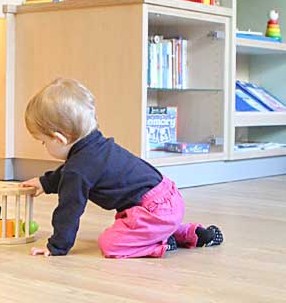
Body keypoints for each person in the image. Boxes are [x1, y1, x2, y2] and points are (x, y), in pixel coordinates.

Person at [21, 78, 223, 257]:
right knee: (133, 228)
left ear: (59, 138)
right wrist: (43, 183)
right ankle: (186, 233)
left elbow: (69, 209)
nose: (43, 147)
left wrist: (57, 246)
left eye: (43, 142)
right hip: (168, 197)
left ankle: (158, 242)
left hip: (153, 209)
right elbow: (69, 173)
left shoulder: (78, 168)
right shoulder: (94, 147)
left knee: (110, 244)